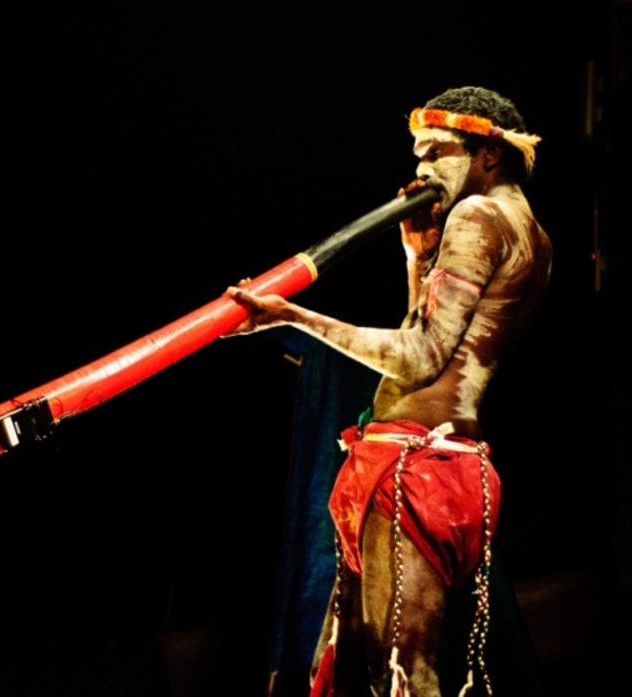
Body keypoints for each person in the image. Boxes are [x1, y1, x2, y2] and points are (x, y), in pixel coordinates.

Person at [225, 86, 552, 696]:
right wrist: (416, 260)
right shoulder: (531, 232)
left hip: (417, 467)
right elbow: (435, 344)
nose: (421, 167)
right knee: (358, 668)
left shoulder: (477, 217)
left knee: (400, 676)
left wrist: (290, 316)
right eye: (417, 152)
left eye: (437, 151)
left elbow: (420, 356)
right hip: (443, 464)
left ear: (488, 155)